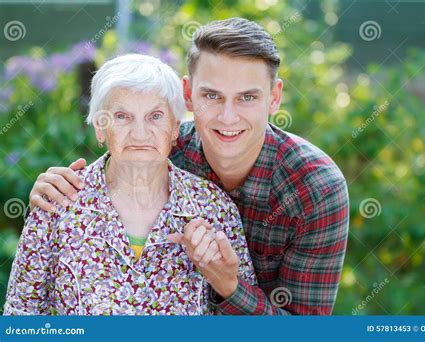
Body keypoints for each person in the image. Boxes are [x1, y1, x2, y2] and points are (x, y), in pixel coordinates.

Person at [28, 18, 349, 315]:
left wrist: (230, 287)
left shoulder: (315, 188)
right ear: (187, 95)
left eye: (247, 98)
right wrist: (53, 195)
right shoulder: (159, 149)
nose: (228, 117)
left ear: (274, 98)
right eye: (212, 95)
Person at [4, 54, 255, 315]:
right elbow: (21, 317)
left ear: (175, 129)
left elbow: (244, 324)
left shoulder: (213, 207)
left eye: (155, 116)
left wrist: (224, 279)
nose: (140, 133)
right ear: (100, 128)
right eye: (122, 116)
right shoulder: (57, 202)